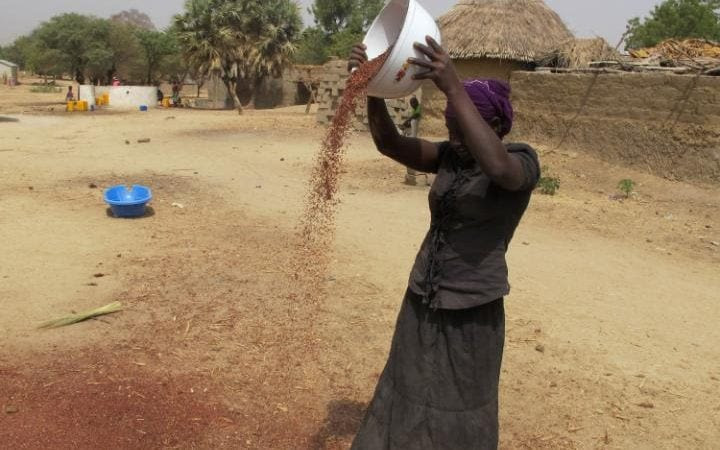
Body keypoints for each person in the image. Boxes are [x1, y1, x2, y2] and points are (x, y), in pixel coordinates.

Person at [348, 36, 540, 450]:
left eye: (461, 129)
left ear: (494, 127)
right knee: (409, 383)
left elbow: (498, 169)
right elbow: (390, 144)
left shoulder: (521, 160)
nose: (453, 138)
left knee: (461, 402)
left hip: (472, 306)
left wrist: (454, 86)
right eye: (450, 128)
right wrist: (372, 88)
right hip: (424, 295)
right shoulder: (450, 157)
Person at [402, 96, 424, 185]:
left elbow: (416, 115)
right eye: (411, 104)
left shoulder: (419, 108)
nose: (412, 106)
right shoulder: (414, 109)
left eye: (412, 104)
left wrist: (408, 120)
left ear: (416, 102)